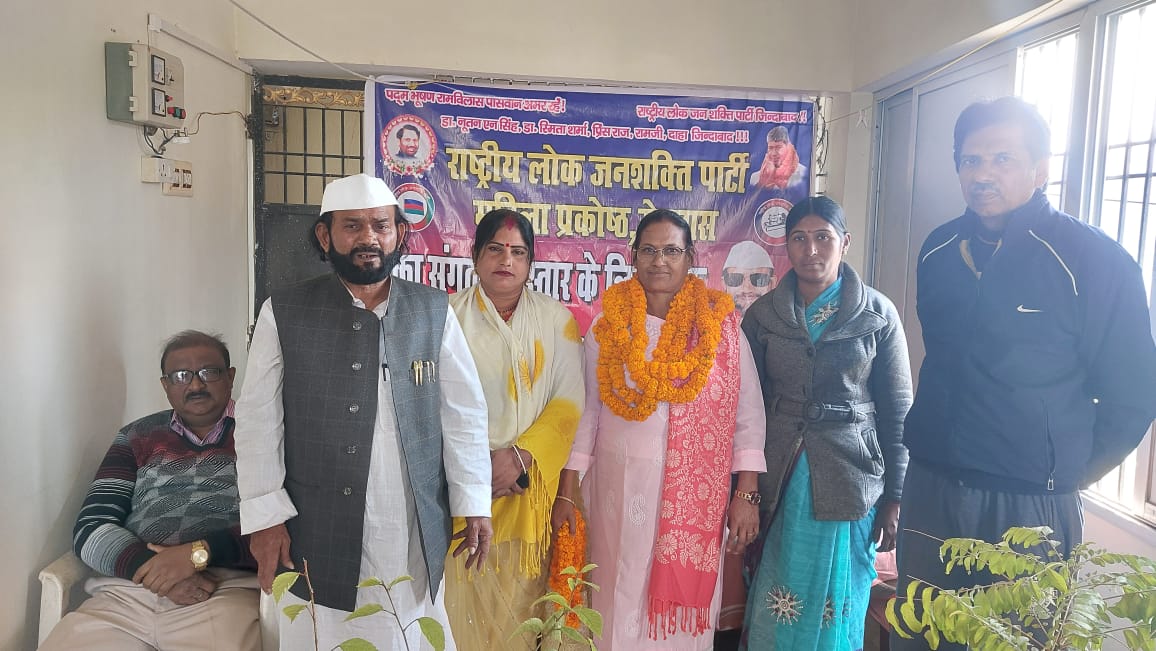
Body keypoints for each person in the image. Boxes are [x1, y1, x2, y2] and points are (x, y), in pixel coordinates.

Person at [894, 97, 1156, 651]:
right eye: (970, 160)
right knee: (922, 636)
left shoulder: (1093, 260)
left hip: (1027, 505)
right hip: (932, 487)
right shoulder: (939, 249)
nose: (982, 174)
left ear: (1040, 169)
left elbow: (1133, 395)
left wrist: (1060, 470)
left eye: (1002, 159)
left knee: (1017, 641)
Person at [234, 173, 493, 650]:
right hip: (316, 520)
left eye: (380, 225)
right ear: (325, 235)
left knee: (407, 627)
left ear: (400, 234)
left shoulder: (433, 310)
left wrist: (473, 501)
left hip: (409, 519)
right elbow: (257, 421)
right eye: (352, 226)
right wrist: (266, 517)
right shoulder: (283, 311)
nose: (368, 238)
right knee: (322, 630)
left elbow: (463, 414)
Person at [554, 209, 767, 650]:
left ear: (690, 257)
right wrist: (567, 489)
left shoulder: (722, 330)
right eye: (649, 250)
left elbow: (748, 418)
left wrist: (746, 495)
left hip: (694, 497)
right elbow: (587, 412)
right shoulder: (608, 328)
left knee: (678, 627)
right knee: (615, 592)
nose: (659, 261)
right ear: (633, 256)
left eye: (671, 250)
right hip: (616, 490)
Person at [739, 196, 913, 650]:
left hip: (852, 479)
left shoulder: (878, 315)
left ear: (845, 243)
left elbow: (898, 410)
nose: (811, 250)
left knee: (840, 597)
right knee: (779, 581)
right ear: (786, 245)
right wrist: (743, 488)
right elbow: (746, 407)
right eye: (799, 238)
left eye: (823, 237)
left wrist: (896, 496)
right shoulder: (763, 316)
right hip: (781, 478)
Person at [41, 331, 259, 651]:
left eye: (208, 372)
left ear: (230, 377)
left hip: (222, 590)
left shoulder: (264, 433)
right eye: (181, 376)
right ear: (165, 385)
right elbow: (91, 526)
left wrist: (198, 554)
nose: (195, 385)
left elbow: (284, 527)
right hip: (127, 591)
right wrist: (153, 572)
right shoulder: (136, 436)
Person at [443, 208, 585, 650]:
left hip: (530, 493)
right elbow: (429, 405)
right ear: (475, 255)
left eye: (518, 252)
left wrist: (520, 457)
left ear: (530, 262)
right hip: (463, 494)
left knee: (524, 614)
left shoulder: (556, 321)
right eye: (495, 249)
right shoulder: (446, 318)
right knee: (462, 612)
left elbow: (568, 404)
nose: (506, 260)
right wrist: (474, 471)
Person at [750, 126, 808, 197]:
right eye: (770, 148)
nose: (774, 153)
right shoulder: (755, 178)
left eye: (778, 147)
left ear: (788, 147)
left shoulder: (803, 174)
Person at [721, 240, 776, 316]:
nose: (747, 289)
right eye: (736, 279)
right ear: (724, 284)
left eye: (757, 279)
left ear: (772, 283)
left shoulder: (783, 320)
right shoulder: (713, 320)